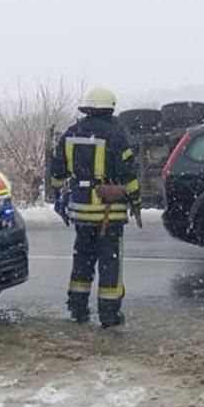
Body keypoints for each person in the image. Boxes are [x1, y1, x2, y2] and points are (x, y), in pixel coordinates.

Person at [49, 87, 142, 328]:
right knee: (110, 263)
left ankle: (77, 308)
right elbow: (128, 173)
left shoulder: (71, 132)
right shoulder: (116, 134)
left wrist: (59, 189)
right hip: (108, 212)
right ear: (109, 108)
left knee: (82, 259)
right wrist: (136, 199)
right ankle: (109, 315)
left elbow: (57, 170)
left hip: (81, 209)